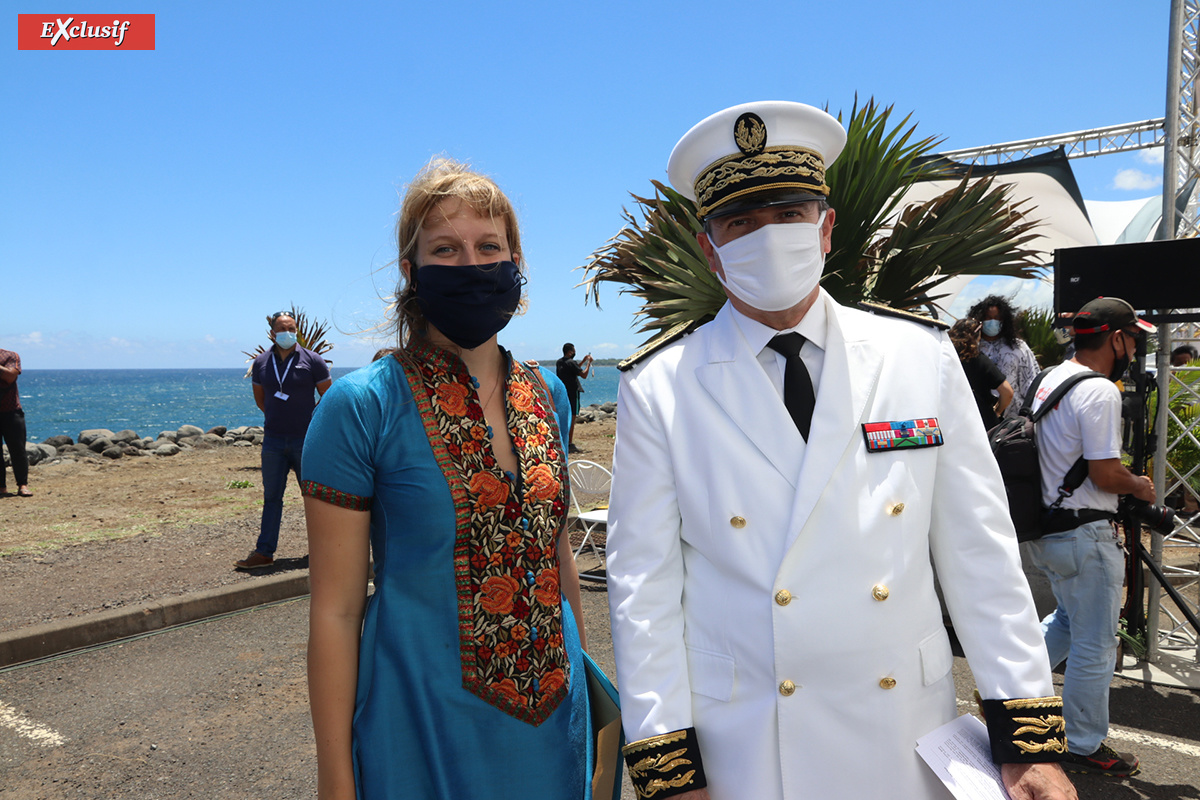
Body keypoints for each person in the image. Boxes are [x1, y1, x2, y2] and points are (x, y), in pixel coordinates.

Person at [606, 102, 1076, 800]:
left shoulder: (919, 358)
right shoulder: (660, 388)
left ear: (825, 229)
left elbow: (980, 553)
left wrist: (1026, 739)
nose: (768, 236)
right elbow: (643, 593)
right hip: (746, 749)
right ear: (710, 250)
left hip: (900, 736)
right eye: (740, 222)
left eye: (790, 214)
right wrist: (670, 772)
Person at [302, 157, 590, 800]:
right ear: (411, 270)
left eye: (490, 246)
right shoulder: (359, 407)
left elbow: (557, 552)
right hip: (417, 728)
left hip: (555, 727)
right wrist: (335, 780)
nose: (471, 264)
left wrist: (589, 687)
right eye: (445, 249)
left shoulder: (548, 395)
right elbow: (336, 610)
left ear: (516, 262)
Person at [1026, 296, 1157, 778]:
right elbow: (1104, 474)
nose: (1135, 347)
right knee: (1095, 644)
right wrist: (1138, 485)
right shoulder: (1099, 390)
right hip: (1085, 534)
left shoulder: (1048, 378)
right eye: (1134, 338)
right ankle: (1081, 744)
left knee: (1064, 622)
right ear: (1116, 338)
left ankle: (1007, 696)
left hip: (1049, 531)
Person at [235, 311, 332, 570]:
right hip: (274, 443)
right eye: (282, 328)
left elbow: (329, 397)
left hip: (306, 441)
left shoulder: (314, 360)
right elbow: (260, 400)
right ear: (272, 333)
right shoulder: (261, 363)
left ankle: (323, 551)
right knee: (272, 498)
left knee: (313, 498)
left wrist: (312, 423)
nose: (287, 332)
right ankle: (264, 552)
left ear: (296, 330)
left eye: (291, 328)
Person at [969, 295, 1041, 419]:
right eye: (988, 318)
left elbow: (1031, 383)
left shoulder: (1018, 348)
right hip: (979, 418)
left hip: (1014, 420)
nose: (992, 322)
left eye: (997, 318)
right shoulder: (971, 348)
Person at [950, 317, 1014, 429]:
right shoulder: (979, 360)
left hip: (953, 422)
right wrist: (997, 411)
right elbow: (1007, 392)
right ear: (977, 336)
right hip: (982, 422)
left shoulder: (946, 358)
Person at [0, 346, 32, 498]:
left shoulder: (10, 356)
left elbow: (10, 376)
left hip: (11, 410)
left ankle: (22, 485)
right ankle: (1, 487)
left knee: (18, 450)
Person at [556, 342, 594, 453]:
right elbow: (583, 375)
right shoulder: (571, 362)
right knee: (572, 417)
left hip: (563, 392)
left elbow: (575, 369)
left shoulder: (560, 362)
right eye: (573, 350)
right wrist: (588, 363)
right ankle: (570, 444)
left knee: (563, 416)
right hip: (572, 392)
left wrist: (582, 361)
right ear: (570, 352)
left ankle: (564, 441)